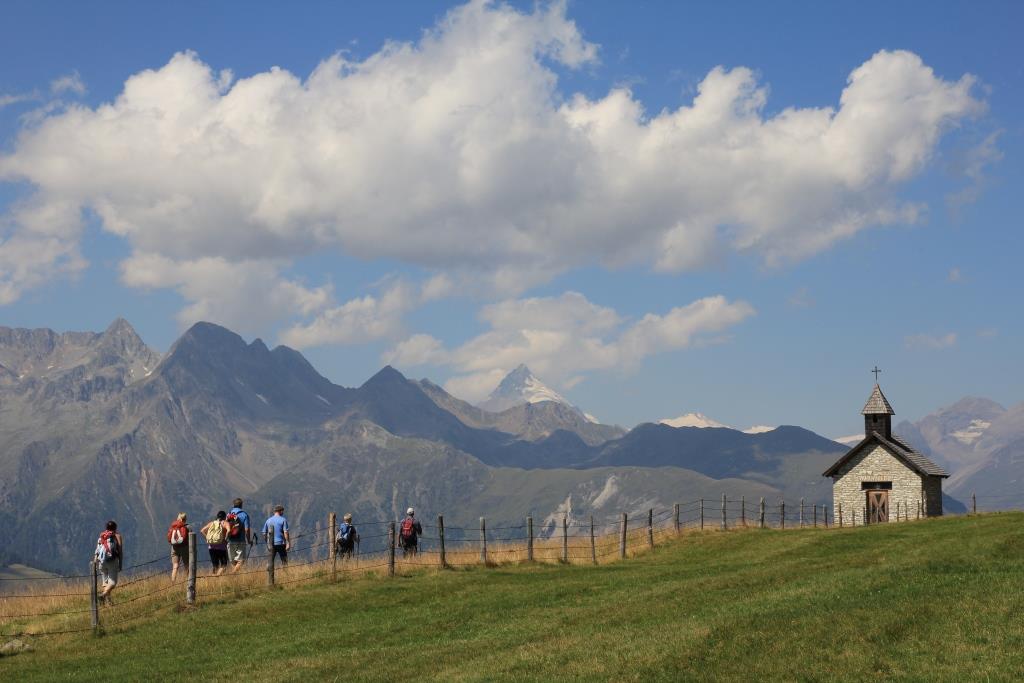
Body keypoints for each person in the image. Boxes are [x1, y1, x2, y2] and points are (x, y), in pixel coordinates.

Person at [94, 520, 123, 605]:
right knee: (113, 583)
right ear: (115, 528)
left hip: (102, 562)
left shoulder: (102, 536)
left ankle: (109, 603)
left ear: (106, 528)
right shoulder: (117, 536)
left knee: (105, 583)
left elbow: (97, 550)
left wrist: (95, 561)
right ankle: (102, 595)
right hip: (112, 562)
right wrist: (120, 563)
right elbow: (120, 551)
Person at [226, 498, 252, 573]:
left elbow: (225, 527)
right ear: (241, 505)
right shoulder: (244, 515)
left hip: (230, 540)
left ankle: (234, 578)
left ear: (233, 505)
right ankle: (232, 575)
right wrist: (248, 540)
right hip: (240, 540)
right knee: (241, 561)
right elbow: (247, 529)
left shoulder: (228, 514)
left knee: (233, 561)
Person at [201, 511, 230, 576]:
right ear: (224, 517)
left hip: (211, 547)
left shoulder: (212, 523)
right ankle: (217, 577)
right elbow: (229, 530)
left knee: (215, 565)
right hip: (221, 547)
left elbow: (202, 530)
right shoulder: (224, 523)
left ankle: (213, 578)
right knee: (224, 564)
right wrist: (225, 538)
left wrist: (207, 538)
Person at [167, 513, 190, 581]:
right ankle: (188, 580)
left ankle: (173, 581)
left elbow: (169, 538)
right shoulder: (187, 527)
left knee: (175, 565)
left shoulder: (172, 526)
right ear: (185, 519)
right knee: (186, 565)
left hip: (174, 547)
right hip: (184, 547)